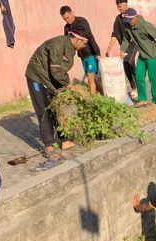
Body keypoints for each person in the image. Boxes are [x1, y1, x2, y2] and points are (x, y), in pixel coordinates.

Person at [25, 28, 88, 168]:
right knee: (44, 110)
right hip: (37, 77)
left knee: (58, 108)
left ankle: (65, 140)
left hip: (51, 79)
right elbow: (55, 69)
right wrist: (67, 84)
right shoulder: (58, 45)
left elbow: (59, 70)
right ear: (77, 40)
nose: (84, 45)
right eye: (84, 43)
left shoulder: (71, 48)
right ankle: (48, 146)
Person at [60, 6, 101, 95]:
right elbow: (67, 42)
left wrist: (97, 53)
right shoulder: (66, 28)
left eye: (68, 17)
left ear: (71, 12)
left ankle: (92, 101)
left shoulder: (82, 21)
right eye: (64, 19)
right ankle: (103, 94)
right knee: (92, 80)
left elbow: (89, 36)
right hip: (82, 56)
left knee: (91, 78)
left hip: (90, 53)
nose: (67, 20)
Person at [106, 0, 138, 99]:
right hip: (124, 46)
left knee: (128, 62)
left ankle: (136, 88)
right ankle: (137, 85)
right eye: (117, 7)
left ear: (126, 4)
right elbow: (115, 33)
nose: (118, 8)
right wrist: (109, 48)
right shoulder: (118, 19)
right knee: (127, 65)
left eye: (120, 6)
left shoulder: (132, 15)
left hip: (133, 43)